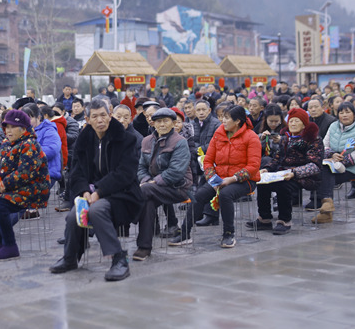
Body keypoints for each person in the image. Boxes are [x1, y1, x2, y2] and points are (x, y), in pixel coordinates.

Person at [50, 98, 142, 282]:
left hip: (121, 194)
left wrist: (99, 192)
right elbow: (76, 171)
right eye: (95, 116)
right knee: (73, 215)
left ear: (109, 115)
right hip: (91, 193)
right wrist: (84, 190)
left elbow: (125, 173)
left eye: (103, 115)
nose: (100, 120)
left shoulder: (126, 139)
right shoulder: (84, 139)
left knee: (96, 210)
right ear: (87, 119)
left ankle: (119, 260)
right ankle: (70, 258)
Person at [169, 105, 260, 248]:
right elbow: (208, 160)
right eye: (223, 117)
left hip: (244, 180)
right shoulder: (219, 134)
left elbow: (253, 166)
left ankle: (228, 233)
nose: (223, 120)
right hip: (219, 178)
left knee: (225, 194)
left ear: (237, 121)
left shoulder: (251, 137)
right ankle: (184, 233)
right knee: (199, 195)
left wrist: (232, 179)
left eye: (227, 118)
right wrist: (212, 178)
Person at [0, 109, 50, 262]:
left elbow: (25, 173)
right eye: (6, 127)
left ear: (23, 129)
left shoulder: (30, 144)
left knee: (0, 204)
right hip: (14, 188)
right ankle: (0, 243)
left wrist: (4, 184)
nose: (8, 130)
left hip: (34, 189)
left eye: (12, 127)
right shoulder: (6, 144)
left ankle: (10, 246)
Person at [249, 108, 322, 235]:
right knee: (262, 182)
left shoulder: (313, 139)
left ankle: (284, 220)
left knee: (283, 186)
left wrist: (295, 172)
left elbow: (314, 165)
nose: (293, 124)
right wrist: (267, 169)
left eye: (296, 121)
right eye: (291, 121)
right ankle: (264, 218)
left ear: (304, 124)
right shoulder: (285, 138)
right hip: (283, 172)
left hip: (304, 176)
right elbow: (277, 158)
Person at [133, 108, 192, 260]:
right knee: (147, 202)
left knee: (145, 192)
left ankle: (126, 215)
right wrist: (147, 181)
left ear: (173, 123)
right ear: (153, 124)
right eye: (158, 121)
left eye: (166, 121)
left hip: (178, 187)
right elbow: (141, 168)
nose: (162, 124)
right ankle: (144, 247)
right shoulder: (146, 141)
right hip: (153, 188)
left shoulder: (180, 142)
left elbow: (176, 172)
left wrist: (152, 182)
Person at [311, 101, 355, 223]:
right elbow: (324, 145)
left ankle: (326, 208)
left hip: (354, 167)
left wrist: (343, 160)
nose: (344, 115)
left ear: (354, 114)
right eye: (341, 112)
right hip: (333, 162)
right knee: (322, 171)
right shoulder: (334, 126)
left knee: (326, 173)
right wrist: (332, 154)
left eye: (347, 112)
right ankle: (326, 207)